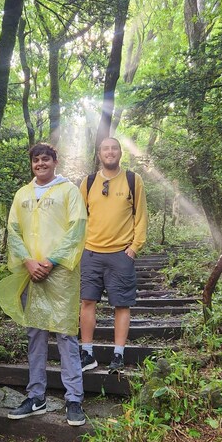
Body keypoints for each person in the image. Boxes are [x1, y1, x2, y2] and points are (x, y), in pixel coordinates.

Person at [0, 143, 87, 426]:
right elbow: (14, 229)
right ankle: (36, 396)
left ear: (55, 161)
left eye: (46, 159)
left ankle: (74, 399)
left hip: (61, 274)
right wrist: (28, 262)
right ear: (31, 164)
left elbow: (78, 228)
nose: (41, 164)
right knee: (35, 333)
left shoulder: (68, 190)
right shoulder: (22, 194)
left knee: (66, 334)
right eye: (36, 160)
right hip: (30, 272)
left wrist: (51, 261)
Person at [79, 137, 148, 374]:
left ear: (120, 152)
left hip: (121, 253)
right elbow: (80, 218)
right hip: (91, 252)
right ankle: (87, 353)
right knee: (87, 301)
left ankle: (118, 354)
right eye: (105, 149)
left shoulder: (132, 179)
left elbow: (141, 216)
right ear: (99, 154)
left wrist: (134, 247)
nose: (110, 152)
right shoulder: (88, 182)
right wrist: (80, 247)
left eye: (114, 148)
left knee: (121, 304)